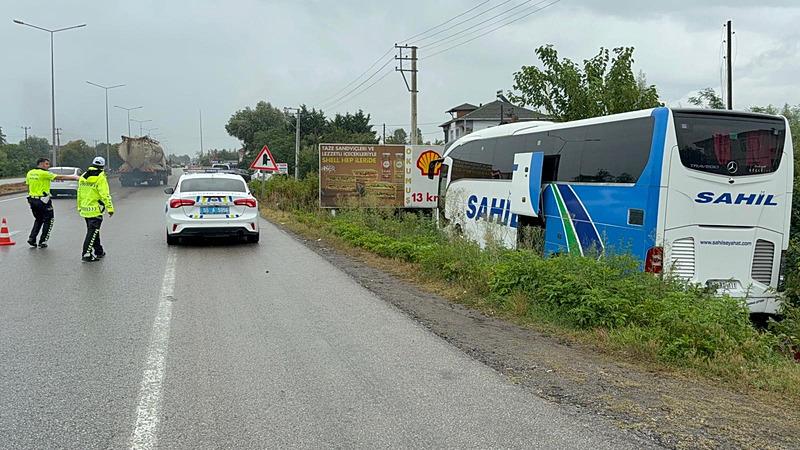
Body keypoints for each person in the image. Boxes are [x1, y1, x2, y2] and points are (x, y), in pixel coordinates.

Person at [25, 157, 79, 248]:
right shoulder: (44, 173)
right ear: (41, 164)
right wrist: (75, 177)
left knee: (38, 219)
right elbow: (60, 177)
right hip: (43, 201)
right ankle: (43, 241)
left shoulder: (30, 173)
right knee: (49, 220)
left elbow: (28, 185)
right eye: (46, 164)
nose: (48, 166)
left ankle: (32, 238)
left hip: (32, 200)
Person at [77, 156, 115, 262]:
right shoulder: (100, 177)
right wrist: (110, 208)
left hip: (85, 208)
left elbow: (79, 193)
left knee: (94, 231)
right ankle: (86, 254)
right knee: (92, 231)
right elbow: (105, 194)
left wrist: (79, 206)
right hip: (95, 209)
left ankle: (99, 251)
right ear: (103, 166)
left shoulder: (84, 176)